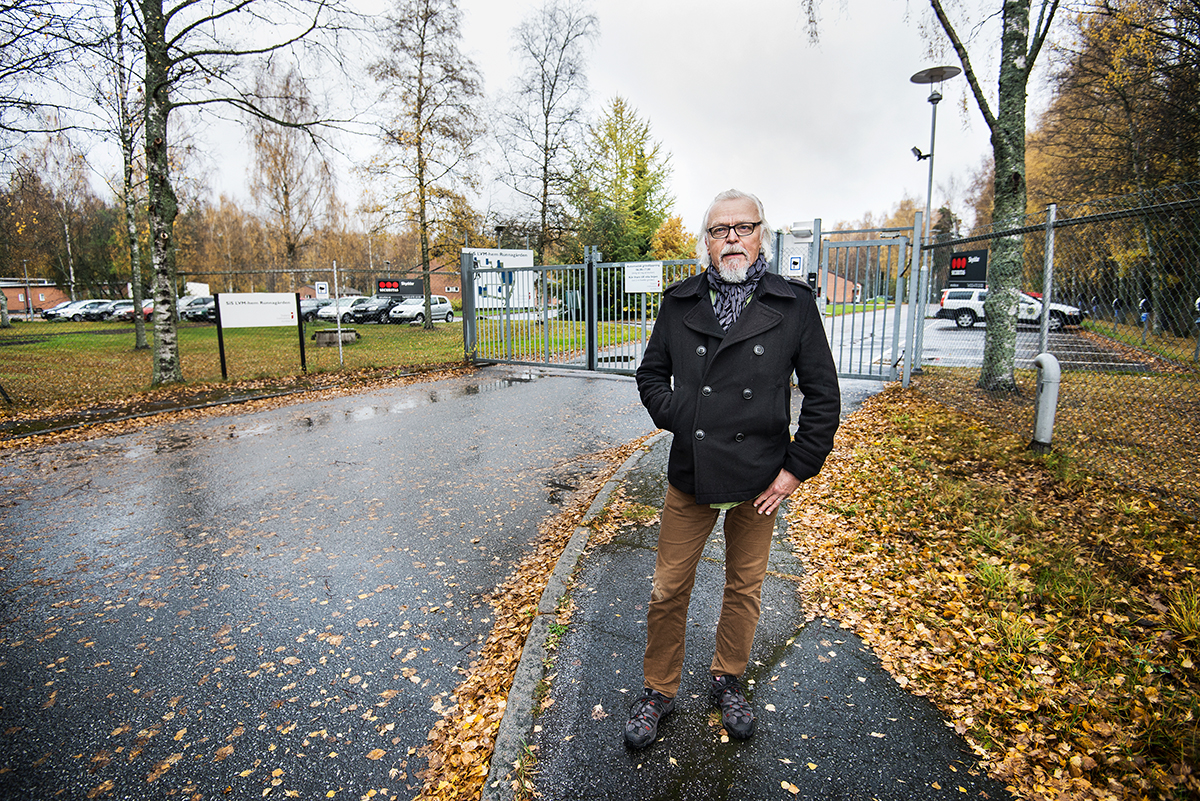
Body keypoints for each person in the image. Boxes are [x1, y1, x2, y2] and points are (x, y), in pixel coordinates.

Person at [625, 189, 841, 749]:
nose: (732, 238)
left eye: (743, 227)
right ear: (706, 241)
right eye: (720, 229)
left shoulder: (793, 304)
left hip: (760, 476)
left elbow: (823, 396)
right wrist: (687, 414)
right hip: (692, 471)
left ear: (762, 235)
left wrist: (797, 469)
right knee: (668, 588)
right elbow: (650, 377)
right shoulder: (678, 302)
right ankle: (658, 690)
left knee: (744, 587)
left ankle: (728, 678)